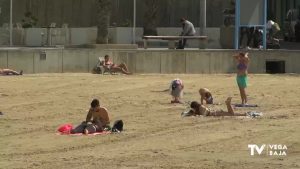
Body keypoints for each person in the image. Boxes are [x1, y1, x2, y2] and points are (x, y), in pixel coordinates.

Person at [184, 97, 261, 117]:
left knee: (231, 114)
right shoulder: (199, 108)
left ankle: (228, 104)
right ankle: (244, 114)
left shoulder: (201, 108)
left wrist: (196, 114)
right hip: (216, 113)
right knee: (231, 114)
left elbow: (205, 114)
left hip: (215, 113)